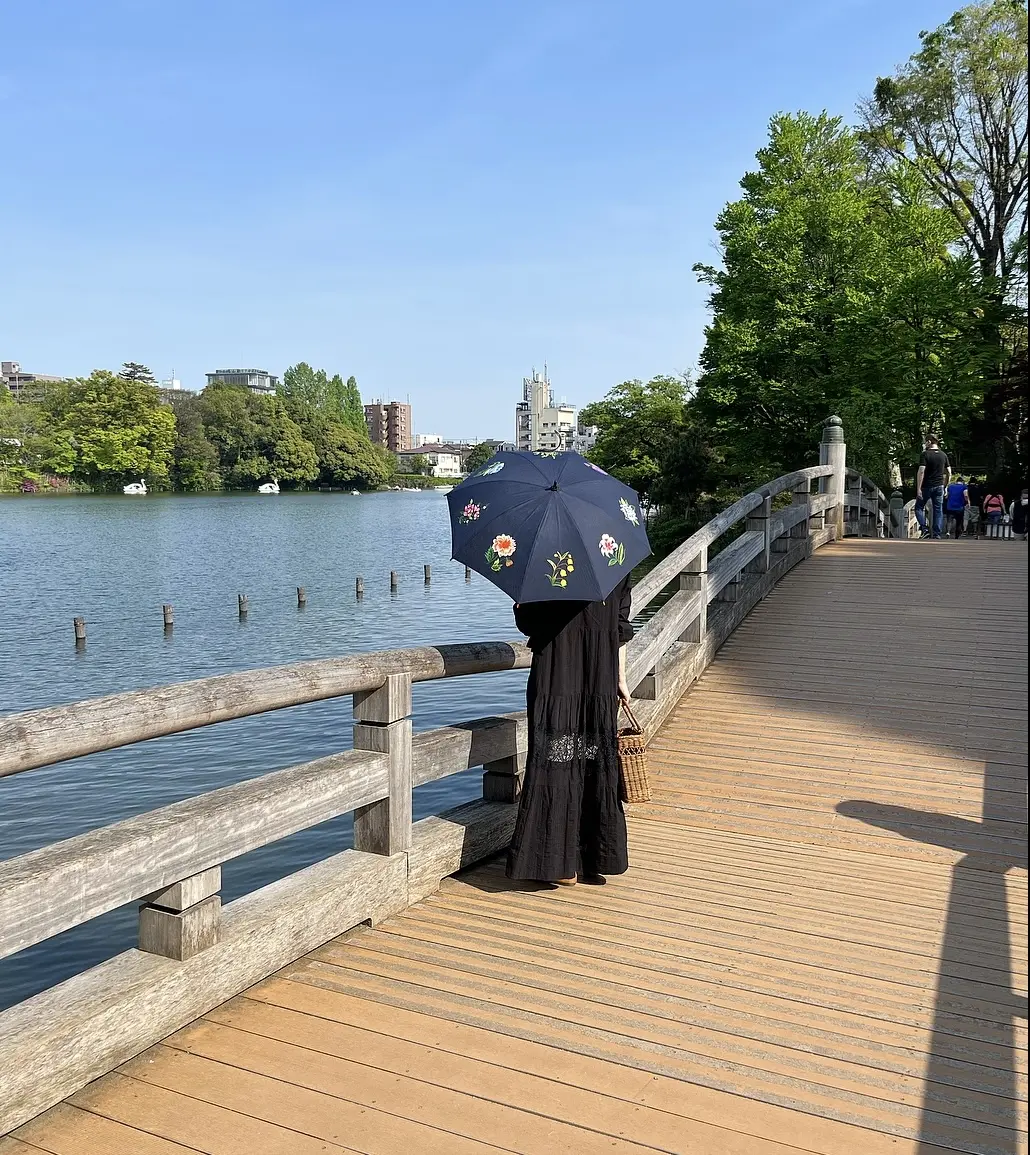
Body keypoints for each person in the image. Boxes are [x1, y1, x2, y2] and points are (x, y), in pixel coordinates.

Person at [508, 576, 633, 885]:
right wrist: (620, 677)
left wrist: (520, 605)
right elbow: (620, 625)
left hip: (557, 674)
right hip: (599, 674)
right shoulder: (614, 558)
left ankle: (558, 863)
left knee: (556, 760)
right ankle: (593, 859)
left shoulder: (550, 561)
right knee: (591, 759)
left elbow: (530, 624)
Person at [914, 435, 951, 540]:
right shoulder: (943, 455)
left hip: (926, 486)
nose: (925, 444)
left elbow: (921, 471)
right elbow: (949, 472)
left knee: (918, 507)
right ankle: (937, 534)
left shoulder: (925, 454)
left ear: (929, 442)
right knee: (938, 510)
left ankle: (924, 529)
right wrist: (945, 486)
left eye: (926, 442)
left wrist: (918, 488)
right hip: (939, 486)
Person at [945, 474, 969, 540]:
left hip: (950, 506)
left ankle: (948, 532)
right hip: (959, 507)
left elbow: (946, 496)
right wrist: (967, 502)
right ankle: (956, 536)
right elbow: (966, 496)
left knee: (949, 520)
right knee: (959, 522)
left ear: (956, 481)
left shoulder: (950, 486)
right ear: (962, 482)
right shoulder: (964, 487)